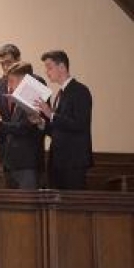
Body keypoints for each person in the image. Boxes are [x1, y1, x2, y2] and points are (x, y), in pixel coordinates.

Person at [36, 50, 93, 190]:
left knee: (72, 207)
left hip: (73, 161)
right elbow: (59, 129)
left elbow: (80, 124)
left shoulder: (80, 91)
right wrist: (42, 123)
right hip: (58, 160)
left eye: (49, 67)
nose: (46, 72)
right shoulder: (60, 94)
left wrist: (51, 115)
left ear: (62, 67)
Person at [0, 62, 45, 189]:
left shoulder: (34, 96)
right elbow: (13, 127)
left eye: (11, 81)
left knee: (26, 205)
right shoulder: (17, 98)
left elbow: (26, 128)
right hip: (11, 161)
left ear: (24, 81)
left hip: (27, 162)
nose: (9, 86)